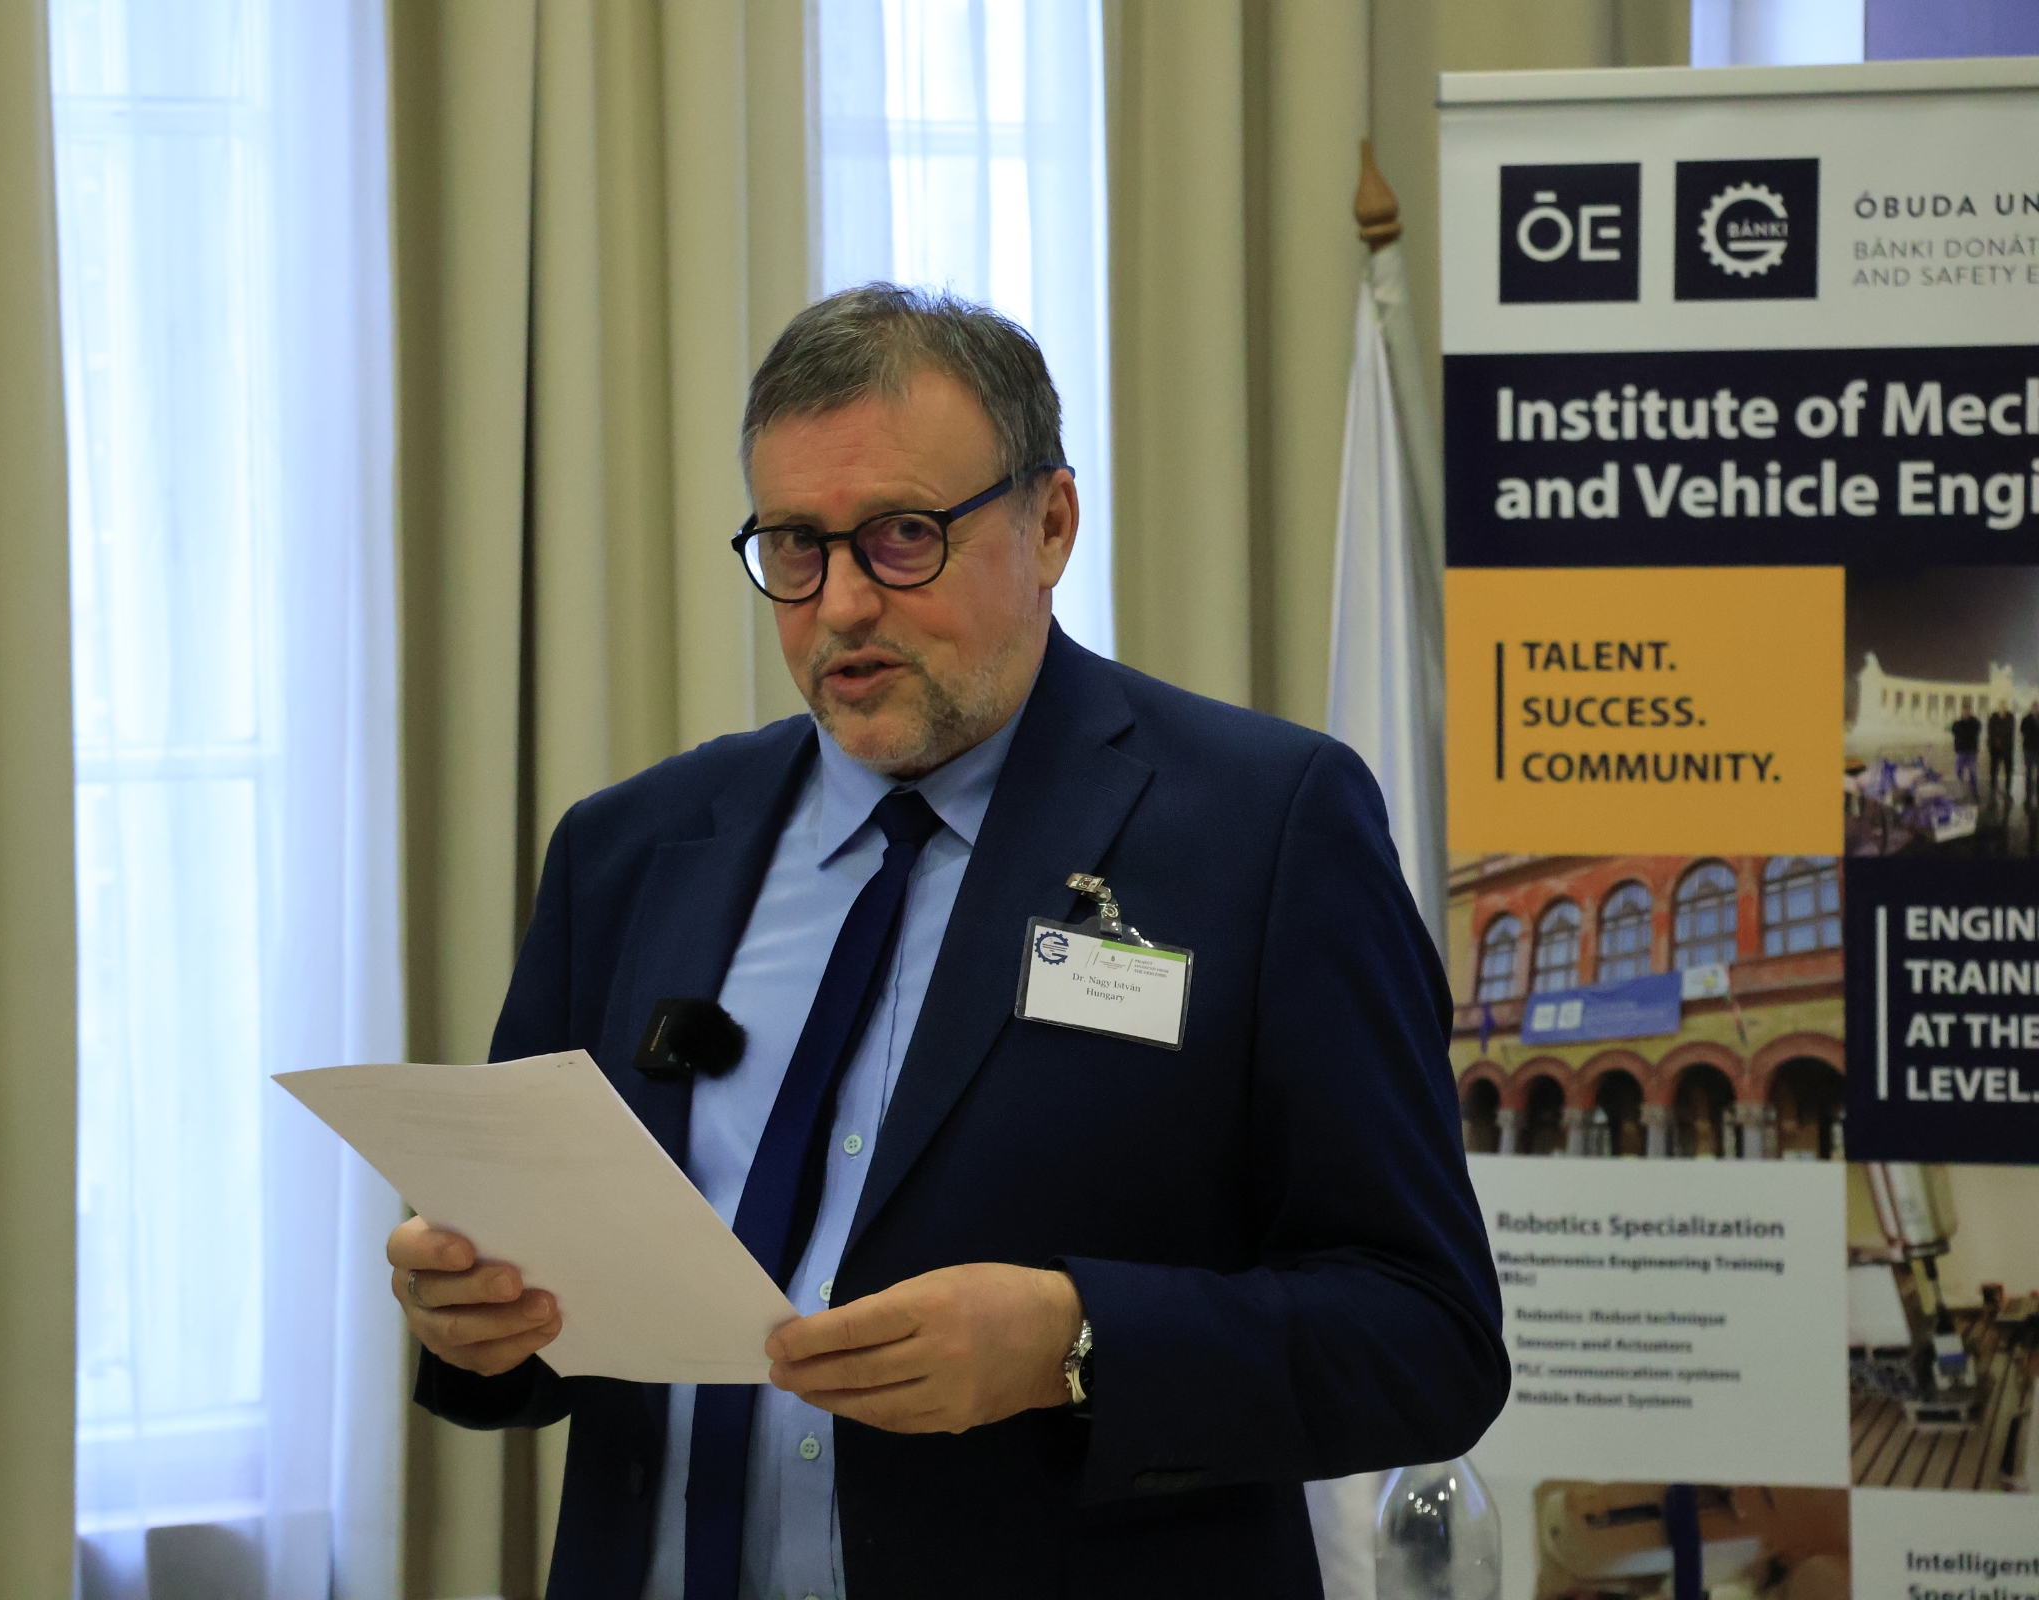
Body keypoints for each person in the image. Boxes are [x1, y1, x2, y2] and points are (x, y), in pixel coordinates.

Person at [387, 285, 1507, 1598]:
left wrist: (1076, 1344)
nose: (842, 605)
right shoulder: (630, 850)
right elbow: (538, 1315)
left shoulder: (1263, 830)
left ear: (1051, 524)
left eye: (903, 537)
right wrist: (474, 1318)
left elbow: (1427, 1337)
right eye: (795, 548)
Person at [1989, 703, 2016, 807]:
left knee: (2008, 771)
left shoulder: (2010, 718)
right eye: (2001, 707)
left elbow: (2009, 731)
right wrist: (1994, 742)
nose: (2002, 709)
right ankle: (1993, 790)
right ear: (1998, 708)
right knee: (1994, 771)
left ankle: (2007, 791)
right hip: (1995, 750)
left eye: (2004, 707)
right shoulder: (1993, 718)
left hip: (2007, 749)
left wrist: (2000, 738)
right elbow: (1990, 731)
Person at [1953, 708, 1983, 802]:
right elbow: (1955, 732)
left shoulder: (1974, 723)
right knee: (1959, 772)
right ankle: (1961, 792)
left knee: (1972, 773)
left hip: (1970, 751)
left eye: (1967, 712)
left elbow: (1976, 730)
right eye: (1964, 713)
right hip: (1962, 751)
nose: (1966, 714)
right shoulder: (1958, 724)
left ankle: (1974, 791)